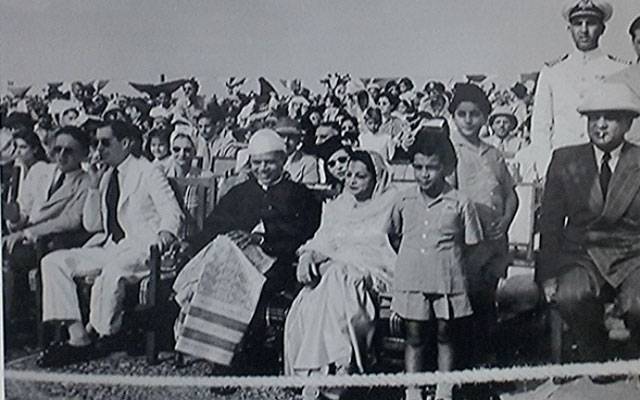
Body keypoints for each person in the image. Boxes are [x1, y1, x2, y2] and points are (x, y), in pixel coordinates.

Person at [37, 120, 183, 367]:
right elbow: (93, 225)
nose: (98, 149)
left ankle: (102, 335)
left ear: (125, 143)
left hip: (143, 248)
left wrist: (165, 235)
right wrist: (94, 186)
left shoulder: (148, 172)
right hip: (112, 246)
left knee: (112, 273)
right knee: (53, 262)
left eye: (106, 143)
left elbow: (172, 212)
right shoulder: (106, 176)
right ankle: (79, 336)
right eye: (96, 143)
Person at [174, 129, 322, 366]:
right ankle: (219, 354)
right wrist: (189, 244)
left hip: (277, 264)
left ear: (283, 161)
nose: (263, 169)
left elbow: (305, 234)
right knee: (224, 250)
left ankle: (222, 357)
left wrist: (262, 239)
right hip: (232, 263)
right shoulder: (239, 193)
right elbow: (214, 227)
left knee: (224, 263)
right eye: (257, 163)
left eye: (270, 163)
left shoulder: (298, 194)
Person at [538, 82, 640, 362]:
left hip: (633, 255)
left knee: (639, 304)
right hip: (581, 255)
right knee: (569, 295)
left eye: (611, 118)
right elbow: (550, 222)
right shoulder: (565, 159)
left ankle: (635, 356)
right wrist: (548, 276)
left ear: (628, 123)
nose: (601, 126)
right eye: (594, 118)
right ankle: (595, 351)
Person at [285, 150, 397, 400]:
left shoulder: (389, 203)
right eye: (349, 175)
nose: (352, 181)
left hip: (373, 268)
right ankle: (333, 368)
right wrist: (309, 256)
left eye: (361, 176)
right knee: (321, 290)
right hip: (339, 273)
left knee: (337, 276)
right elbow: (322, 239)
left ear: (376, 177)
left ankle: (325, 370)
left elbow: (380, 246)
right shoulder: (337, 206)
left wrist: (336, 261)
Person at [389, 129, 483, 400]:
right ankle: (413, 389)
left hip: (448, 278)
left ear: (446, 167)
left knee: (446, 332)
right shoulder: (403, 200)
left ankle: (445, 388)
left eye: (432, 168)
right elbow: (394, 235)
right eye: (418, 167)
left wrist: (452, 265)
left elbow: (472, 244)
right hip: (412, 278)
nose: (424, 174)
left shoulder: (460, 202)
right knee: (415, 334)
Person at [448, 83, 519, 371]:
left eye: (475, 114)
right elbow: (447, 197)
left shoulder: (493, 153)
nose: (468, 120)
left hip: (494, 240)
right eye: (462, 113)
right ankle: (464, 364)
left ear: (485, 117)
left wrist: (505, 221)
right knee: (466, 299)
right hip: (466, 241)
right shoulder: (450, 150)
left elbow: (511, 194)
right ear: (453, 116)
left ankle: (486, 362)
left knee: (487, 298)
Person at [527, 0, 629, 179]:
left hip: (606, 169)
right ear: (569, 29)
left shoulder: (619, 70)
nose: (583, 30)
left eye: (590, 23)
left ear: (602, 28)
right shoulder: (552, 71)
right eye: (577, 23)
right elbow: (541, 127)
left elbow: (625, 123)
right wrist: (546, 170)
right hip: (562, 168)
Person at [3, 127, 92, 325]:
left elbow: (70, 220)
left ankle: (15, 321)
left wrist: (28, 233)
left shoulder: (85, 182)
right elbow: (25, 208)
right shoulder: (41, 171)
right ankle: (14, 320)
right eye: (57, 149)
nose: (61, 156)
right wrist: (15, 219)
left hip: (51, 240)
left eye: (68, 151)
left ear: (83, 154)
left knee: (11, 256)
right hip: (28, 235)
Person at [163, 132, 214, 239]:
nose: (181, 154)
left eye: (187, 150)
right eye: (177, 149)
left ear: (194, 153)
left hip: (194, 236)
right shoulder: (161, 176)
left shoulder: (204, 177)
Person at [274, 116, 319, 185]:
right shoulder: (265, 160)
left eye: (291, 137)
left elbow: (309, 192)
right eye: (282, 136)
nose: (286, 141)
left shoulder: (308, 162)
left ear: (298, 140)